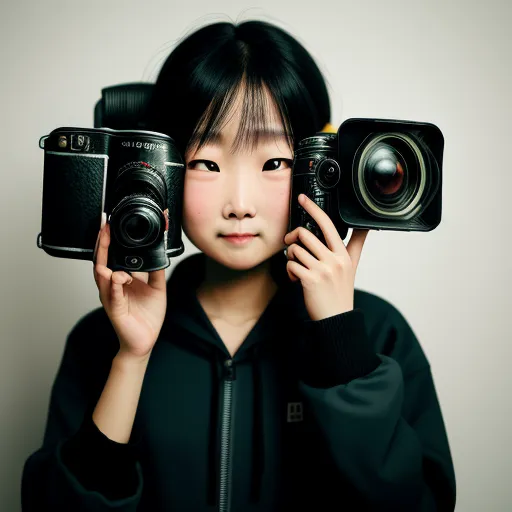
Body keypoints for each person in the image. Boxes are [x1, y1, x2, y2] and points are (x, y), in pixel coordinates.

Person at [21, 19, 456, 511]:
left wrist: (339, 338)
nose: (240, 204)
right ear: (166, 164)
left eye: (274, 163)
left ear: (316, 164)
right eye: (208, 162)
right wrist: (131, 359)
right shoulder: (100, 341)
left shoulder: (378, 335)